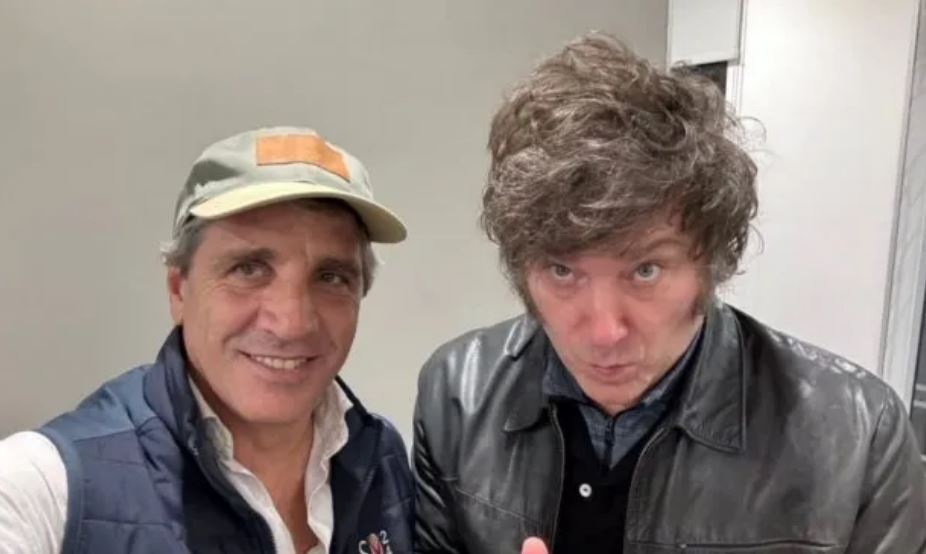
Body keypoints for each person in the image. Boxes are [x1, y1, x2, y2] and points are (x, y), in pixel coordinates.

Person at [413, 34, 926, 553]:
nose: (605, 332)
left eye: (646, 270)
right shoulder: (457, 397)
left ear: (710, 262)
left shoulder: (860, 440)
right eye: (563, 271)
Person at [0, 127, 414, 554]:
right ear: (178, 290)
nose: (292, 323)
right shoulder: (43, 488)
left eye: (331, 277)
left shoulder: (379, 458)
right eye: (248, 269)